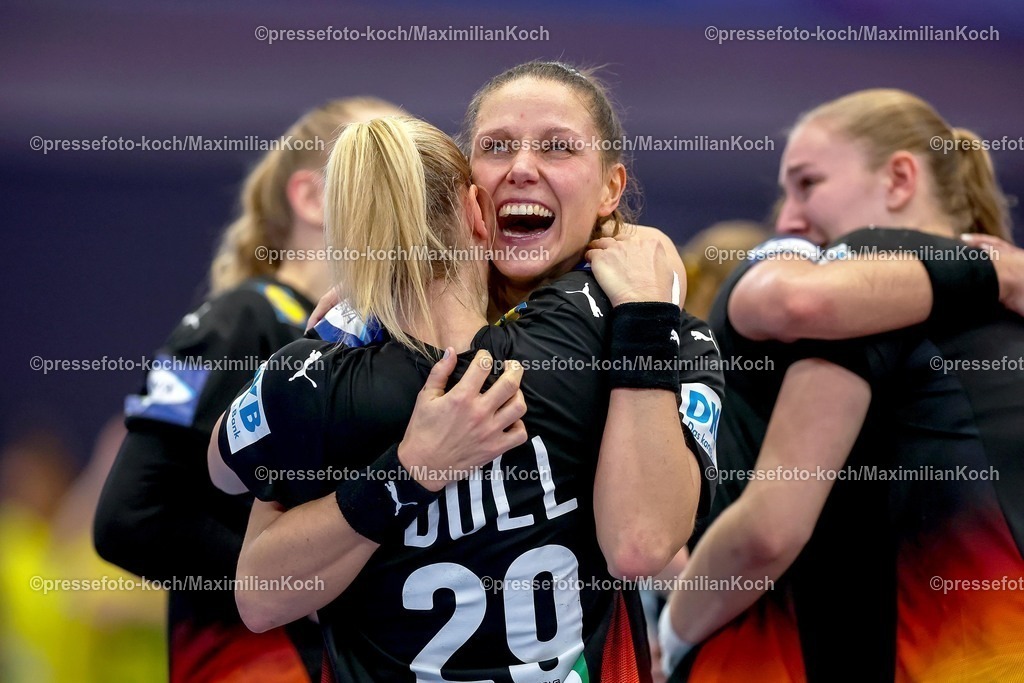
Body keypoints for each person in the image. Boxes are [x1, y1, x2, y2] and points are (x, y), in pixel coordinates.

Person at [210, 109, 722, 682]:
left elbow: (247, 555)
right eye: (499, 148)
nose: (524, 171)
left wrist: (402, 474)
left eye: (555, 149)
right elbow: (652, 260)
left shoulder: (314, 378)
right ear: (478, 210)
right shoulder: (598, 331)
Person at [660, 89, 1024, 682]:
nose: (786, 220)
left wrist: (673, 631)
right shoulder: (1003, 295)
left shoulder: (864, 274)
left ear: (901, 178)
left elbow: (770, 530)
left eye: (807, 183)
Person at [93, 97, 403, 683]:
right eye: (380, 175)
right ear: (313, 198)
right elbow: (129, 518)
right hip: (248, 664)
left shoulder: (357, 340)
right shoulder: (234, 320)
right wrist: (294, 582)